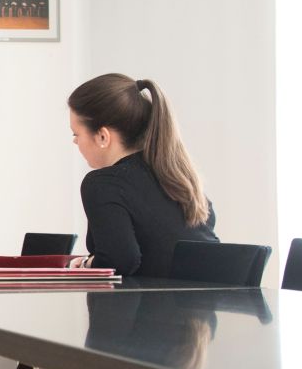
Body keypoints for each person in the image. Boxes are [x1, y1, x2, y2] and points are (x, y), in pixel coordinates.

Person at [68, 73, 216, 277]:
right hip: (204, 305)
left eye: (76, 134)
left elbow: (119, 260)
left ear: (103, 136)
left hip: (150, 308)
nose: (75, 142)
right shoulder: (179, 178)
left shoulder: (103, 184)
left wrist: (86, 264)